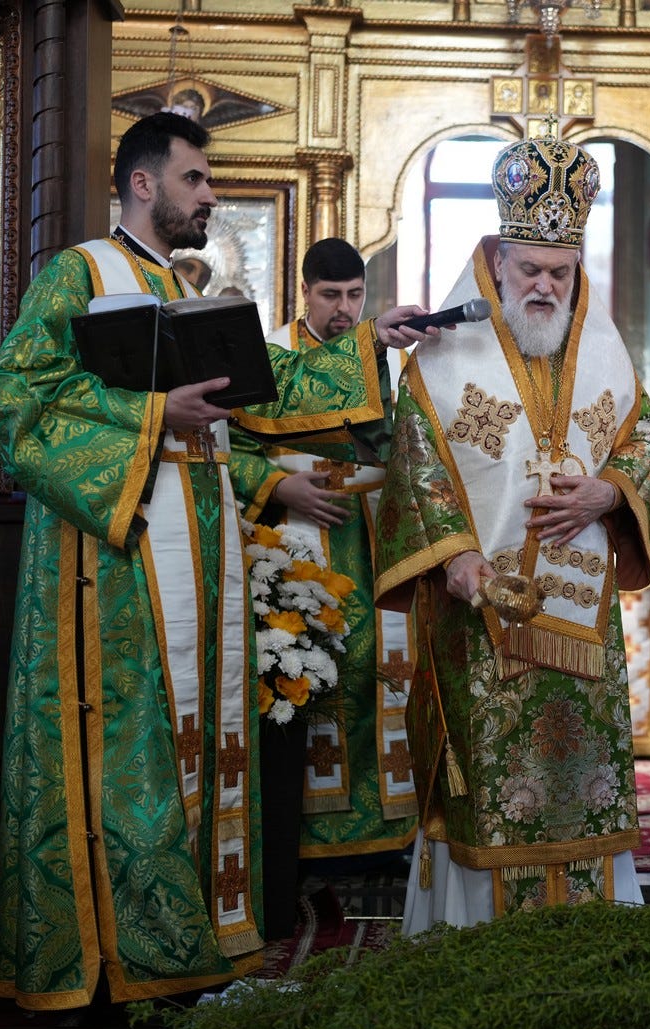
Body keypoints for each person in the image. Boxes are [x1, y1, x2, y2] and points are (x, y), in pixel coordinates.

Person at [0, 109, 432, 1009]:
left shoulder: (183, 290)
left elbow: (267, 390)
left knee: (204, 743)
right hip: (118, 563)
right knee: (139, 750)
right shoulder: (82, 273)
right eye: (195, 178)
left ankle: (194, 947)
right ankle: (128, 959)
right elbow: (17, 402)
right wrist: (157, 414)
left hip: (203, 548)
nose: (210, 195)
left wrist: (369, 340)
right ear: (143, 182)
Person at [374, 127, 650, 933]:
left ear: (578, 274)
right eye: (530, 269)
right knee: (490, 784)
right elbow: (419, 471)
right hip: (483, 622)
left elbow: (648, 441)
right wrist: (459, 561)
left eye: (560, 273)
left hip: (581, 623)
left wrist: (609, 494)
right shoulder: (442, 362)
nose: (544, 285)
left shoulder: (604, 356)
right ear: (498, 263)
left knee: (582, 783)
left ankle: (590, 941)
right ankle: (478, 942)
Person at [229, 237, 417, 938]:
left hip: (369, 537)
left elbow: (402, 443)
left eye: (355, 296)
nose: (343, 309)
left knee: (379, 675)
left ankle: (382, 836)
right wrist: (281, 487)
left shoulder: (381, 360)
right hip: (295, 542)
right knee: (310, 681)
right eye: (330, 296)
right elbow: (230, 448)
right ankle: (304, 840)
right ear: (304, 291)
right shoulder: (271, 356)